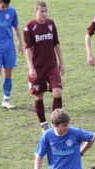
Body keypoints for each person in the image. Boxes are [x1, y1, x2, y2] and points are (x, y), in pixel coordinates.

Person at [24, 1, 65, 132]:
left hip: (52, 65)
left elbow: (56, 44)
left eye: (46, 11)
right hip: (38, 67)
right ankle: (43, 123)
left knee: (57, 92)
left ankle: (55, 123)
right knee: (39, 96)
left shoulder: (51, 24)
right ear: (35, 11)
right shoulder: (29, 27)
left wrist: (61, 62)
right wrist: (31, 67)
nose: (44, 14)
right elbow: (28, 49)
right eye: (42, 11)